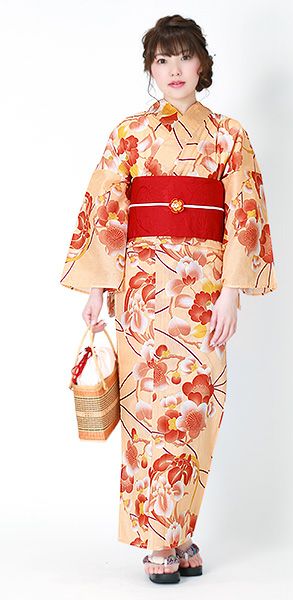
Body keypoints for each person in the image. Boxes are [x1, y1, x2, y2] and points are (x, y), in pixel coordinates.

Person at [59, 14, 277, 584]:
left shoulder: (229, 134)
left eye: (184, 57)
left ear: (202, 63)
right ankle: (160, 538)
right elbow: (106, 207)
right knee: (150, 410)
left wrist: (232, 293)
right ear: (150, 69)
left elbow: (245, 214)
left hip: (204, 291)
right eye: (162, 60)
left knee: (198, 410)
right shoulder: (130, 133)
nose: (174, 69)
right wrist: (99, 286)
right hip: (143, 288)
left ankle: (177, 529)